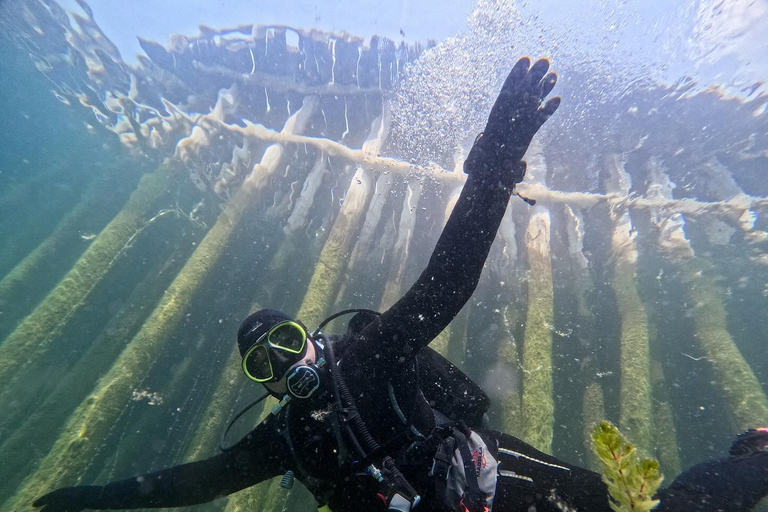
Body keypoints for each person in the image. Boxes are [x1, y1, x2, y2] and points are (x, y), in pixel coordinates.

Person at [32, 58, 768, 512]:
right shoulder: (286, 438)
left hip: (502, 485)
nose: (282, 362)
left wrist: (496, 159)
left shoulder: (368, 354)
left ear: (309, 335)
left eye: (284, 341)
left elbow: (447, 282)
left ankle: (757, 459)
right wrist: (85, 499)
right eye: (263, 364)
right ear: (262, 383)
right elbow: (193, 483)